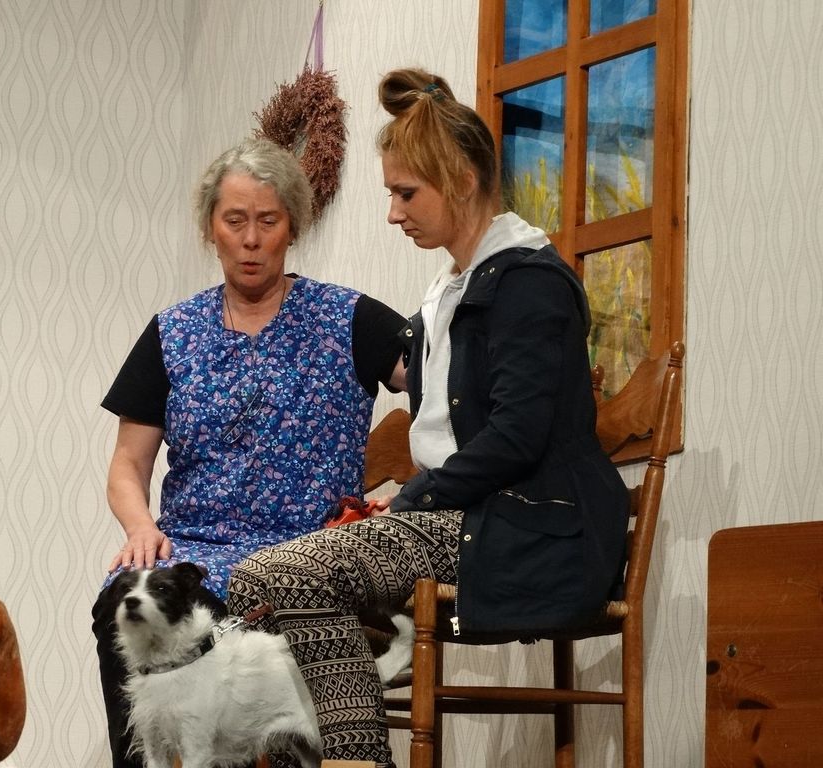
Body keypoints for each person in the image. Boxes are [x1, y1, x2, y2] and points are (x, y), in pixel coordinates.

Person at [226, 68, 630, 767]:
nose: (393, 213)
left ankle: (357, 762)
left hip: (524, 525)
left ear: (463, 181)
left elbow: (516, 436)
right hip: (466, 516)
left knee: (281, 575)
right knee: (257, 583)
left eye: (405, 193)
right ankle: (350, 755)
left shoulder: (528, 284)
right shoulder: (455, 287)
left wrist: (413, 498)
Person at [91, 136, 407, 768]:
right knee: (119, 606)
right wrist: (141, 527)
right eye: (235, 221)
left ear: (293, 227)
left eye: (269, 221)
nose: (252, 239)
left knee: (247, 633)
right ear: (211, 229)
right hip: (198, 554)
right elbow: (128, 464)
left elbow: (437, 382)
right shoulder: (173, 332)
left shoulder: (346, 317)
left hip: (310, 557)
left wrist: (419, 494)